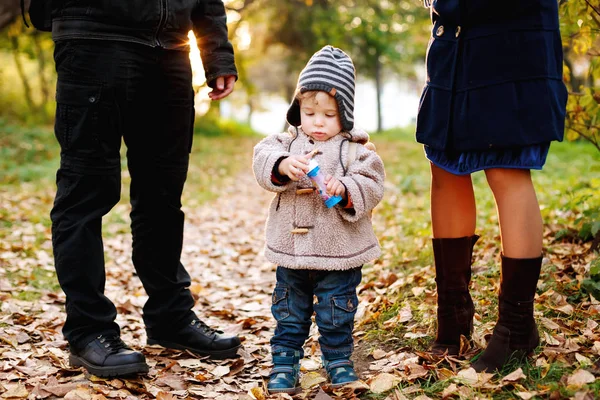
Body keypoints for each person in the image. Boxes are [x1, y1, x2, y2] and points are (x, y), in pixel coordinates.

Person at [40, 1, 241, 378]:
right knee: (85, 195)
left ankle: (170, 318)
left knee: (163, 197)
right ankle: (89, 330)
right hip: (94, 42)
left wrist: (216, 53)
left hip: (170, 51)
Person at [416, 1, 568, 372]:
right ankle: (453, 318)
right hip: (455, 42)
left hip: (511, 40)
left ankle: (516, 329)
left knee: (507, 168)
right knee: (445, 166)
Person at [252, 45, 385, 393]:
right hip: (292, 252)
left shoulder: (355, 150)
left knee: (336, 312)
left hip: (338, 255)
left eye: (328, 114)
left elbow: (373, 185)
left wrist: (346, 185)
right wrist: (282, 165)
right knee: (289, 311)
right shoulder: (287, 142)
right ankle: (284, 363)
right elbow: (262, 156)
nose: (318, 122)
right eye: (310, 113)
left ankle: (338, 360)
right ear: (298, 110)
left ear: (345, 114)